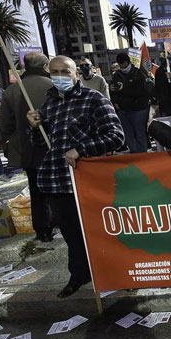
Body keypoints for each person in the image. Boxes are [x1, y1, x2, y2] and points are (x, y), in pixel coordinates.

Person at [27, 56, 124, 298]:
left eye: (65, 71)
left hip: (87, 181)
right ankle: (80, 274)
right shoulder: (48, 105)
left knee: (102, 232)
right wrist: (35, 128)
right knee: (71, 234)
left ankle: (118, 273)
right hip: (57, 181)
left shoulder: (94, 99)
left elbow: (116, 136)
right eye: (55, 72)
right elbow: (42, 144)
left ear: (76, 74)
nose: (60, 76)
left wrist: (81, 149)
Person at [0, 52, 55, 242]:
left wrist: (10, 141)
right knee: (59, 187)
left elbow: (5, 124)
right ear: (45, 66)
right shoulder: (53, 86)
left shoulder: (11, 91)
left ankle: (43, 230)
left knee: (36, 190)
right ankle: (59, 221)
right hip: (54, 145)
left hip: (27, 149)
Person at [110, 52, 154, 153]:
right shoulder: (117, 75)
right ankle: (134, 154)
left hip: (139, 110)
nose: (123, 68)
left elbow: (144, 90)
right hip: (124, 111)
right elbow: (112, 91)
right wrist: (116, 102)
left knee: (140, 134)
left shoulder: (139, 73)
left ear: (129, 62)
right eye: (121, 66)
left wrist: (124, 89)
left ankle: (142, 155)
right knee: (128, 135)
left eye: (125, 66)